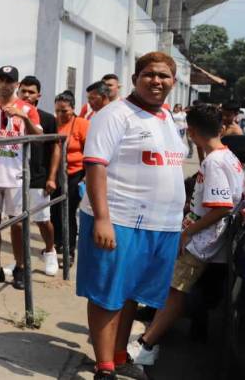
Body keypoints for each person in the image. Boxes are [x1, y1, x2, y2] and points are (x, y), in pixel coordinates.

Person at [77, 52, 187, 380]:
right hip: (120, 220)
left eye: (164, 76)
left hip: (161, 225)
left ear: (173, 82)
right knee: (107, 293)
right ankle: (104, 367)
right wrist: (101, 218)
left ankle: (120, 355)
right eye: (150, 74)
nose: (157, 81)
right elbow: (95, 165)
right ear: (136, 77)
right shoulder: (115, 115)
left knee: (130, 294)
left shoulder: (167, 117)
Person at [129, 103, 244, 366]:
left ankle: (146, 346)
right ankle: (147, 340)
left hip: (201, 242)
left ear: (191, 132)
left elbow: (220, 207)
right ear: (221, 128)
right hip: (205, 239)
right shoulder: (226, 156)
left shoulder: (215, 162)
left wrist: (187, 233)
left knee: (174, 294)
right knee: (173, 292)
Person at [0, 66, 42, 289]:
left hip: (16, 177)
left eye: (10, 81)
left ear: (16, 84)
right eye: (1, 80)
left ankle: (20, 267)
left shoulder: (27, 109)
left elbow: (40, 137)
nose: (5, 84)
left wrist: (24, 117)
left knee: (18, 225)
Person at [16, 76, 62, 277]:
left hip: (38, 176)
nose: (26, 95)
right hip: (14, 176)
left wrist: (51, 177)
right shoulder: (10, 114)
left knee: (43, 219)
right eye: (23, 91)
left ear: (38, 95)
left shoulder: (48, 119)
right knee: (16, 221)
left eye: (31, 92)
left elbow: (55, 149)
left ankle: (50, 251)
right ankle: (20, 262)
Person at [52, 92, 89, 266]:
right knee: (54, 212)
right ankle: (57, 243)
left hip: (75, 173)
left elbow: (90, 150)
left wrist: (87, 176)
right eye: (58, 111)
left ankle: (70, 251)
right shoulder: (53, 123)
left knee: (68, 212)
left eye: (64, 111)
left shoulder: (81, 124)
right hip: (55, 174)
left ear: (73, 109)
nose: (61, 115)